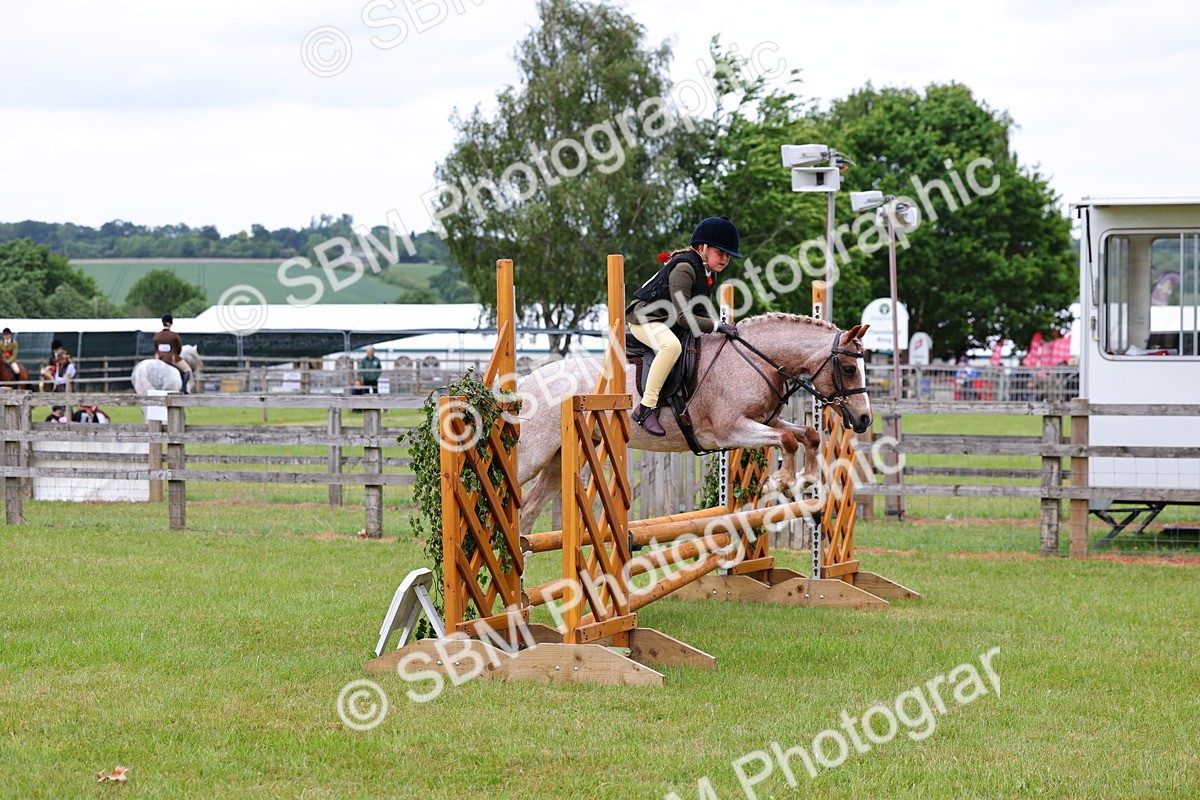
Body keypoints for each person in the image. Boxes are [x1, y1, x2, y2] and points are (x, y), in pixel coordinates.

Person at [624, 216, 742, 436]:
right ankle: (646, 408)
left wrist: (720, 328)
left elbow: (701, 310)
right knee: (671, 347)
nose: (725, 259)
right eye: (721, 252)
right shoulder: (685, 268)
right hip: (644, 319)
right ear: (702, 247)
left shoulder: (708, 272)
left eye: (729, 255)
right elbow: (684, 317)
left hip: (666, 320)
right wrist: (717, 326)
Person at [153, 313, 192, 393]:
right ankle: (183, 389)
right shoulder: (174, 335)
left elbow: (156, 348)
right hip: (172, 358)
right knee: (188, 370)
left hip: (159, 358)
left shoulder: (157, 335)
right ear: (170, 323)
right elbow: (179, 348)